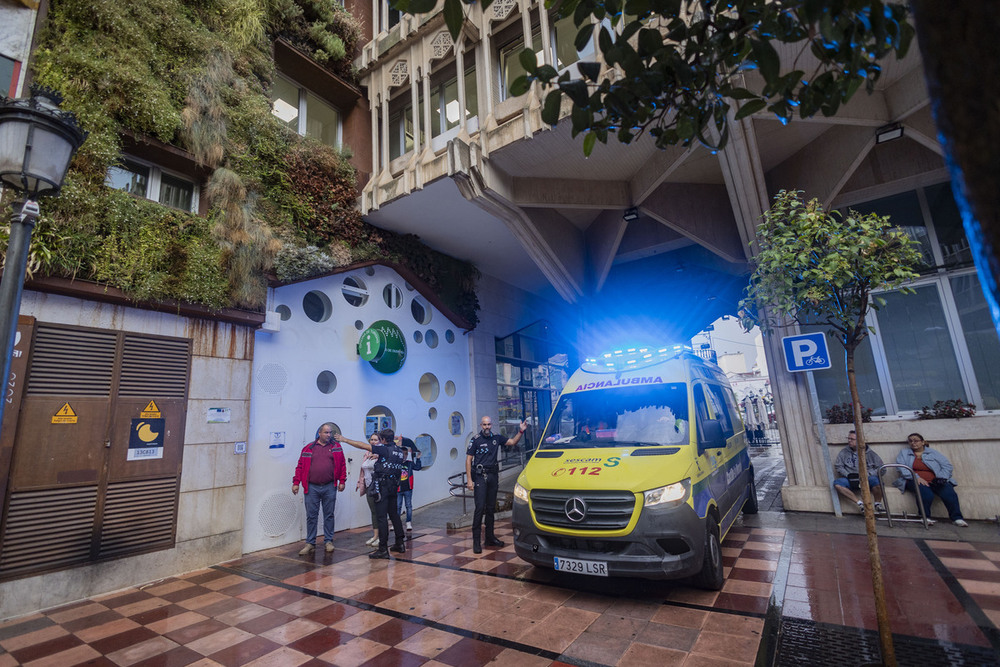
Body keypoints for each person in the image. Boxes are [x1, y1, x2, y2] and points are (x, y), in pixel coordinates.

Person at [337, 428, 408, 558]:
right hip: (394, 486)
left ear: (383, 440)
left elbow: (362, 445)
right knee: (394, 515)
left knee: (381, 517)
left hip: (383, 487)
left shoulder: (384, 449)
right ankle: (400, 543)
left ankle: (383, 549)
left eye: (379, 439)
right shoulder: (398, 450)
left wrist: (344, 439)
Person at [466, 417, 527, 554]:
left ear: (491, 425)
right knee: (479, 508)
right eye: (484, 424)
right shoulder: (475, 440)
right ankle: (476, 541)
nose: (487, 427)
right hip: (480, 477)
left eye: (489, 424)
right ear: (481, 425)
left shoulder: (497, 438)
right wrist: (470, 480)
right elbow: (469, 460)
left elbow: (512, 442)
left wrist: (521, 431)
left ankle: (489, 538)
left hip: (493, 476)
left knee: (490, 508)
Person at [292, 422, 347, 555]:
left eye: (330, 433)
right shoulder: (308, 448)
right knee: (311, 516)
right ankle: (310, 543)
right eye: (326, 432)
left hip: (329, 486)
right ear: (319, 433)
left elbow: (342, 464)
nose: (329, 435)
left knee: (329, 515)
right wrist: (296, 482)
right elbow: (300, 466)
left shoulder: (336, 447)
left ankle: (328, 541)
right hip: (311, 488)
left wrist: (342, 481)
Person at [894, 433, 968, 527]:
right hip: (913, 479)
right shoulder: (904, 453)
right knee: (926, 493)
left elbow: (947, 466)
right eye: (910, 441)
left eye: (916, 440)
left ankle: (957, 518)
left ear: (923, 442)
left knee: (949, 493)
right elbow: (901, 468)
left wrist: (941, 478)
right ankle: (925, 517)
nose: (913, 443)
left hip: (935, 479)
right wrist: (917, 478)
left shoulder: (933, 453)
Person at [833, 430, 885, 514]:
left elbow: (882, 468)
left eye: (852, 439)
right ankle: (860, 504)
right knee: (838, 483)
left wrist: (868, 474)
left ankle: (877, 504)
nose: (849, 441)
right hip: (851, 478)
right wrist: (848, 475)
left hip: (867, 478)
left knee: (877, 481)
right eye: (848, 438)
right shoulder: (843, 452)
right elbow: (838, 466)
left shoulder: (871, 454)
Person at [357, 435, 380, 547]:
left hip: (378, 487)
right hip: (368, 486)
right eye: (372, 440)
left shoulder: (382, 454)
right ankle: (375, 535)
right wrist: (359, 482)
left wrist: (377, 457)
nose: (373, 442)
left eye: (376, 440)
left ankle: (381, 536)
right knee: (373, 511)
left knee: (380, 511)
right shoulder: (367, 453)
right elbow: (363, 470)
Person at [396, 438, 423, 531]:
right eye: (402, 453)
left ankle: (408, 522)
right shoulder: (396, 463)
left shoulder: (409, 463)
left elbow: (418, 468)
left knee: (408, 505)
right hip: (398, 489)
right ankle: (396, 522)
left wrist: (418, 458)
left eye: (406, 453)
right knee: (397, 506)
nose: (404, 455)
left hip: (408, 488)